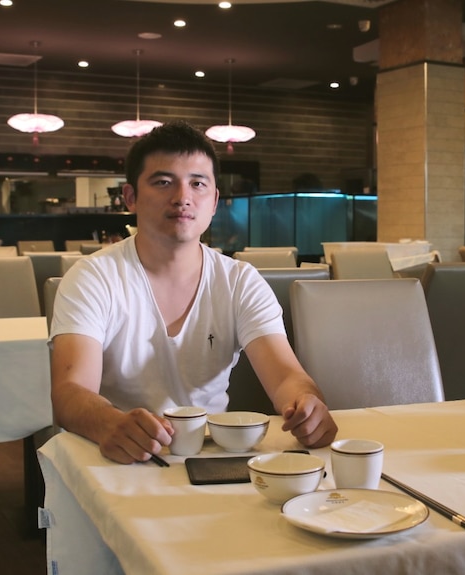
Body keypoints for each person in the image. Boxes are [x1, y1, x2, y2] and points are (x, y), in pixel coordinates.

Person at [49, 120, 338, 464]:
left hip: (211, 457)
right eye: (163, 182)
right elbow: (69, 391)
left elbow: (287, 377)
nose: (183, 197)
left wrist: (307, 404)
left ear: (214, 201)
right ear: (130, 197)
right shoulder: (93, 277)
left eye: (197, 183)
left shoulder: (239, 281)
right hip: (117, 455)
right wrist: (109, 422)